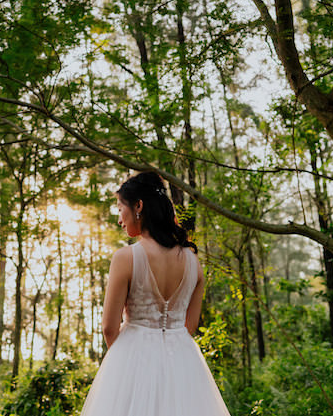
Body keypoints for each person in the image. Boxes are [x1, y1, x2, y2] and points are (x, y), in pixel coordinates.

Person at [79, 172, 231, 416]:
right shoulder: (193, 262)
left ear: (138, 206)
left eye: (120, 209)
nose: (120, 219)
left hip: (132, 358)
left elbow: (109, 327)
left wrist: (123, 366)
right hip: (183, 362)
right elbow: (188, 326)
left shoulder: (125, 258)